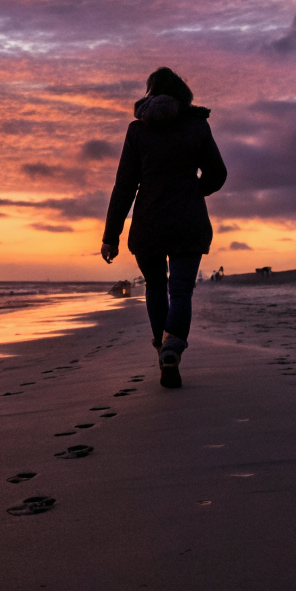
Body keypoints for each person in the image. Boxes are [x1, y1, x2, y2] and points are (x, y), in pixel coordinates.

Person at [100, 67, 227, 388]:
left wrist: (110, 236)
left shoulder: (137, 131)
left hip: (148, 223)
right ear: (182, 93)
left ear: (151, 92)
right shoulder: (197, 126)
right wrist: (196, 190)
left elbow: (124, 186)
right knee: (181, 289)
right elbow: (218, 172)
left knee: (156, 287)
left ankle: (162, 347)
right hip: (189, 220)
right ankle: (173, 348)